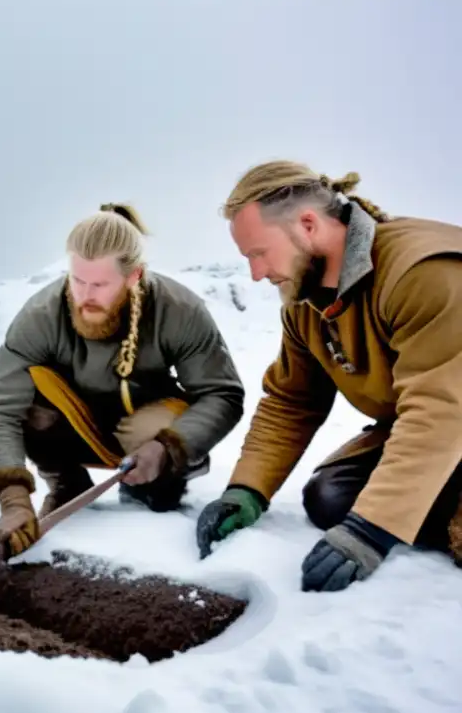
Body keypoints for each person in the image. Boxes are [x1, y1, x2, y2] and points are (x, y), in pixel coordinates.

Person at [196, 161, 462, 592]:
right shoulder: (305, 302)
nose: (256, 274)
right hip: (437, 429)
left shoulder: (423, 274)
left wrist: (371, 531)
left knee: (370, 516)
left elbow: (439, 410)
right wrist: (245, 491)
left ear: (307, 225)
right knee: (331, 497)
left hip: (449, 415)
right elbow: (292, 400)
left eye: (259, 253)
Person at [0, 203, 246, 557]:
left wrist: (168, 447)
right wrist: (13, 498)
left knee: (157, 496)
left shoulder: (179, 310)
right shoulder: (41, 315)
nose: (85, 296)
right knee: (29, 402)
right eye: (77, 280)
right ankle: (67, 483)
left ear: (134, 277)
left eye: (100, 284)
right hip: (75, 427)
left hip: (151, 433)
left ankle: (158, 480)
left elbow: (222, 394)